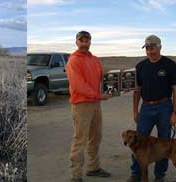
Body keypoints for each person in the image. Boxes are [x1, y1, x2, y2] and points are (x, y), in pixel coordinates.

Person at [129, 34, 176, 182]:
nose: (150, 51)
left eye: (152, 48)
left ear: (160, 47)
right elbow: (137, 90)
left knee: (164, 143)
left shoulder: (169, 64)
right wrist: (135, 110)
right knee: (137, 141)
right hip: (146, 107)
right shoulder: (141, 66)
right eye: (147, 48)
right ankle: (136, 174)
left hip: (164, 107)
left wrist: (174, 112)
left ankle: (160, 176)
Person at [67, 30, 112, 182]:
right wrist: (98, 95)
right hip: (81, 104)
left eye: (87, 41)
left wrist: (120, 84)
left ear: (90, 42)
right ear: (77, 42)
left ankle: (93, 168)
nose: (84, 43)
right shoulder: (73, 60)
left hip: (95, 104)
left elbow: (104, 78)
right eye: (81, 41)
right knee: (80, 139)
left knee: (95, 137)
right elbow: (79, 85)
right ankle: (76, 176)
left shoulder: (94, 59)